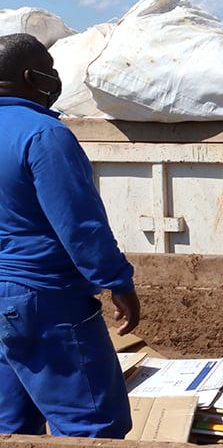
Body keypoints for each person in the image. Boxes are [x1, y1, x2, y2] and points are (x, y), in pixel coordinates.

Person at [0, 33, 139, 438]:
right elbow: (79, 225)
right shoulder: (43, 135)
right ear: (33, 76)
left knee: (12, 426)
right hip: (45, 299)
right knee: (92, 425)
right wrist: (117, 281)